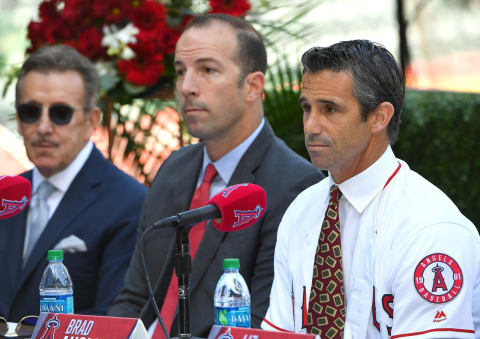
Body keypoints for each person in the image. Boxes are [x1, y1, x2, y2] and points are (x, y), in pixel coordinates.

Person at [108, 14, 324, 338]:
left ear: (253, 86)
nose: (186, 87)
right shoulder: (174, 168)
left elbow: (261, 324)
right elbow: (135, 297)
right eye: (181, 71)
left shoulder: (294, 185)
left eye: (207, 70)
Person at [262, 40, 480, 338]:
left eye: (330, 109)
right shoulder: (301, 210)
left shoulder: (429, 227)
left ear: (379, 117)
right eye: (307, 108)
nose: (311, 126)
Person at [0, 45, 147, 321]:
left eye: (60, 113)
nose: (43, 127)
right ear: (18, 121)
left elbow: (114, 320)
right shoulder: (5, 194)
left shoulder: (129, 202)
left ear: (92, 121)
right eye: (30, 112)